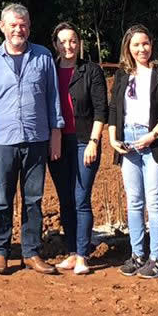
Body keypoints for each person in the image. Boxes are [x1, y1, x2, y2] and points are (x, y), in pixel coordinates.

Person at [0, 3, 64, 276]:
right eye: (12, 24)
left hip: (36, 139)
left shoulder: (43, 58)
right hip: (3, 141)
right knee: (2, 199)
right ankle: (1, 252)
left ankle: (31, 252)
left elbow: (53, 99)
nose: (17, 29)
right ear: (2, 27)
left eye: (22, 24)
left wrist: (55, 133)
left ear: (29, 27)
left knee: (33, 199)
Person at [107, 25, 158, 279]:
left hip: (154, 143)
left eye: (146, 43)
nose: (142, 49)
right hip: (128, 142)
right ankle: (137, 255)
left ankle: (156, 259)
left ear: (152, 45)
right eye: (136, 45)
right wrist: (113, 138)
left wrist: (153, 135)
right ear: (128, 47)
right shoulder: (122, 76)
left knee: (154, 201)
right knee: (134, 201)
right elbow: (114, 108)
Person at [46, 22, 108, 276]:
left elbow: (101, 109)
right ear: (55, 45)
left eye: (72, 41)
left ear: (79, 43)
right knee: (66, 200)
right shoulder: (50, 71)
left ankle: (83, 255)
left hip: (85, 141)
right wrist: (54, 135)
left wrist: (94, 141)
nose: (68, 46)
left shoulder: (91, 71)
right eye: (62, 41)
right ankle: (72, 252)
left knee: (81, 199)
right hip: (58, 142)